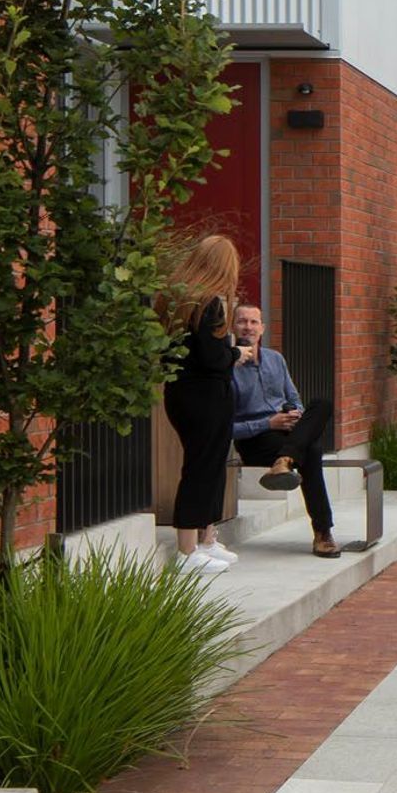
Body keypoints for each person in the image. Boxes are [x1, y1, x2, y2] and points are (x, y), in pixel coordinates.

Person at [161, 235, 244, 573]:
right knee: (201, 468)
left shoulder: (177, 300)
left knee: (207, 465)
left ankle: (206, 537)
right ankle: (187, 549)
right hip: (207, 395)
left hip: (183, 393)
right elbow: (213, 358)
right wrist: (237, 352)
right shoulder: (208, 303)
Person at [230, 303, 337, 558]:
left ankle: (285, 460)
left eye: (254, 322)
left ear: (262, 328)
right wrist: (269, 423)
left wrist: (293, 415)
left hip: (288, 433)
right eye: (242, 321)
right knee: (311, 451)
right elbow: (226, 428)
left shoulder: (276, 359)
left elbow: (295, 398)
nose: (248, 327)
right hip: (256, 438)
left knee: (322, 403)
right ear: (233, 327)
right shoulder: (227, 369)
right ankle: (323, 533)